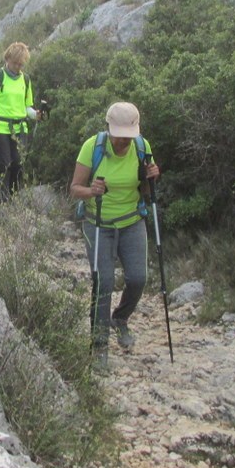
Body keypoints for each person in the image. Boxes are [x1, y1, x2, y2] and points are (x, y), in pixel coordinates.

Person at [69, 102, 160, 374]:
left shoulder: (142, 147)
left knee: (138, 278)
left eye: (127, 136)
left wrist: (152, 177)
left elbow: (144, 189)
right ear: (109, 129)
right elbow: (74, 189)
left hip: (132, 221)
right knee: (104, 282)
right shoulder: (92, 147)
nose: (123, 141)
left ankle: (120, 319)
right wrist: (92, 191)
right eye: (118, 135)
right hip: (98, 224)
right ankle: (99, 348)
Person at [0, 42, 38, 203]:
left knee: (18, 165)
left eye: (21, 64)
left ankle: (13, 201)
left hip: (20, 128)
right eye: (15, 63)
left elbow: (27, 108)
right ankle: (3, 201)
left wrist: (37, 115)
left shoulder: (25, 80)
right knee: (4, 164)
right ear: (7, 59)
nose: (18, 67)